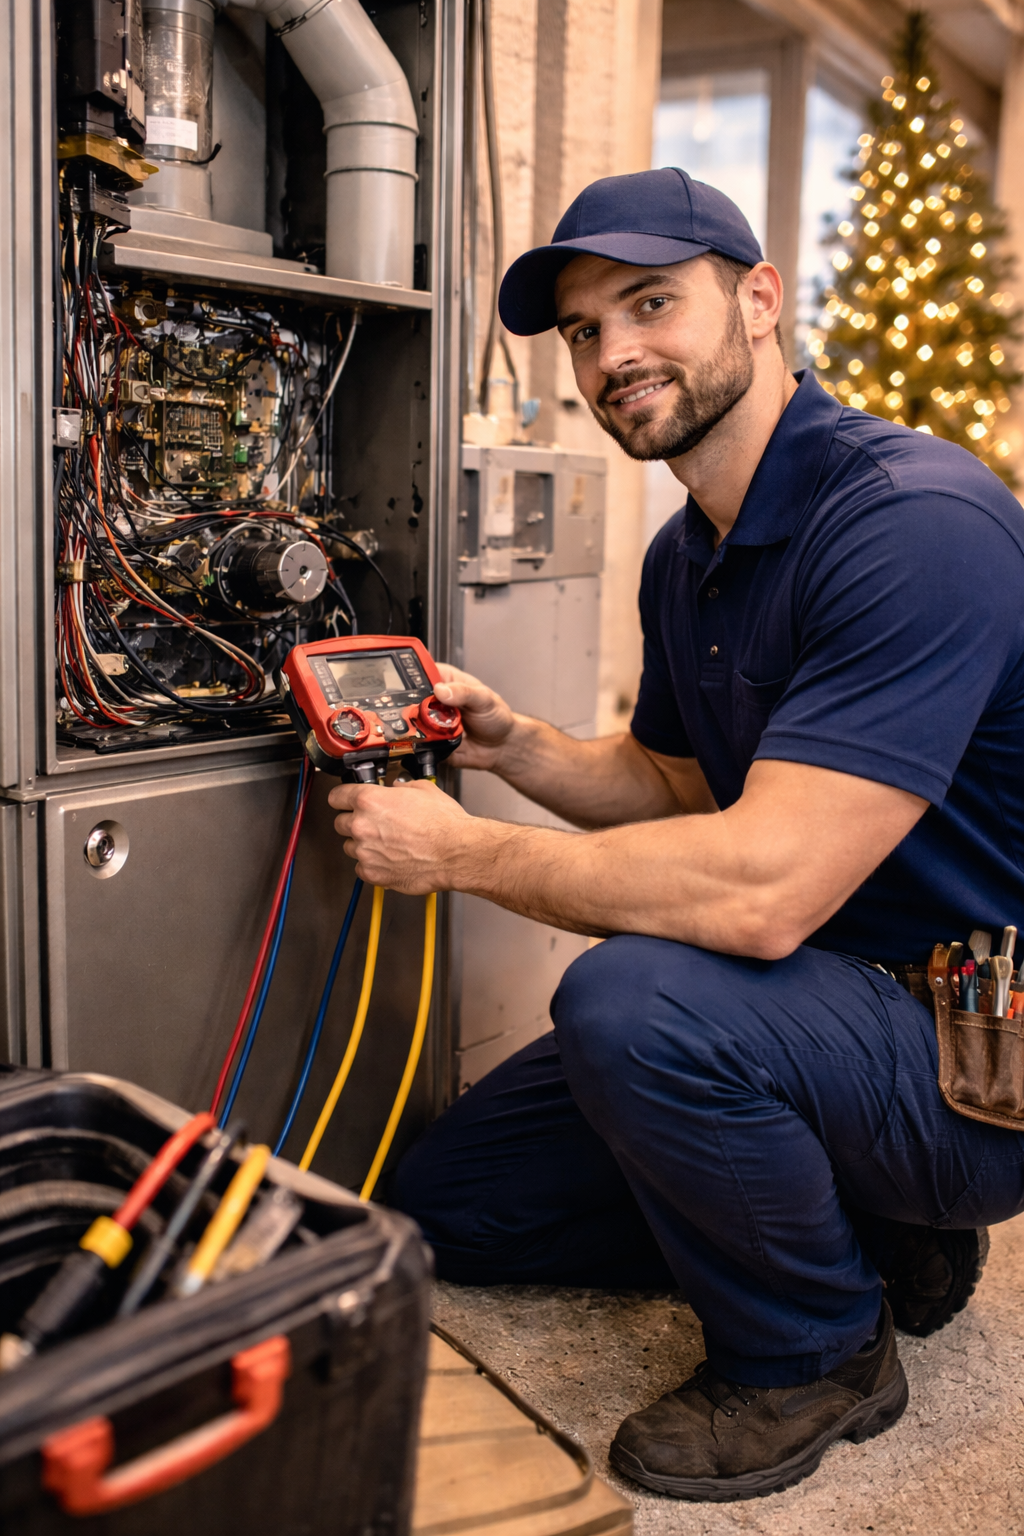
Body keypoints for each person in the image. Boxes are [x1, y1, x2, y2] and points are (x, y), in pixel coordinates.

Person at [328, 167, 1024, 1503]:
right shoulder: (687, 552)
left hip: (968, 1053)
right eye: (585, 328)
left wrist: (460, 852)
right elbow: (675, 785)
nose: (612, 354)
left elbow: (757, 890)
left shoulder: (911, 524)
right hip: (814, 1005)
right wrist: (515, 744)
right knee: (453, 1204)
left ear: (761, 302)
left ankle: (814, 1349)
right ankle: (872, 1228)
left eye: (651, 303)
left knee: (636, 1004)